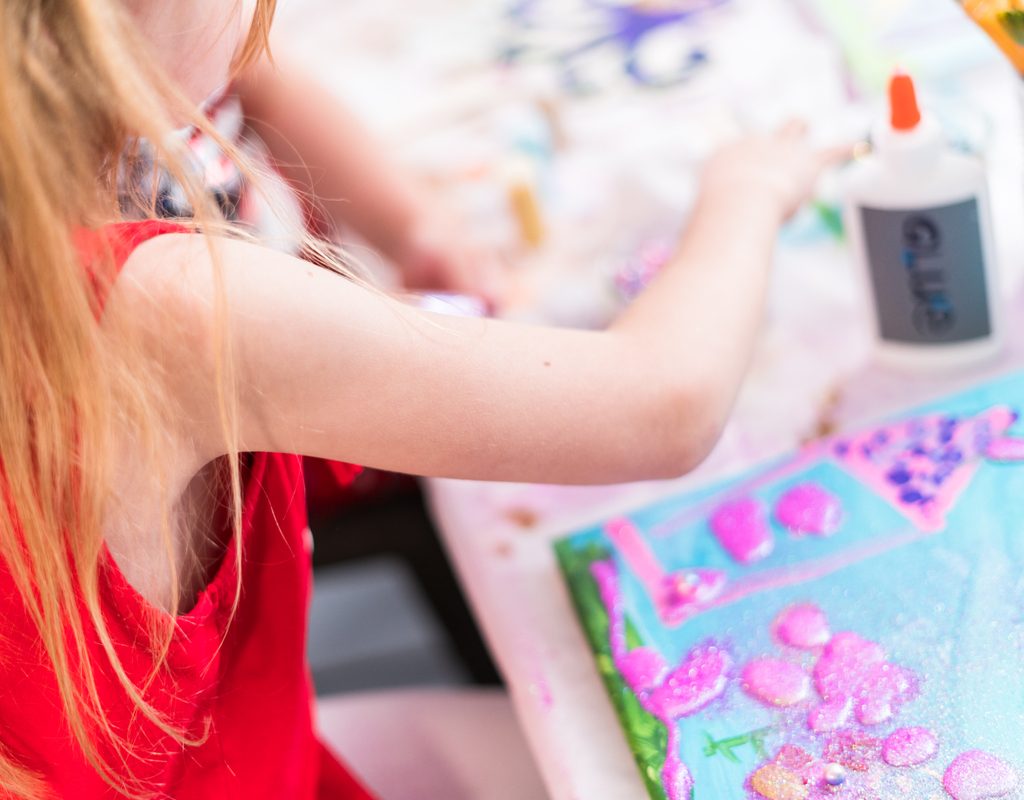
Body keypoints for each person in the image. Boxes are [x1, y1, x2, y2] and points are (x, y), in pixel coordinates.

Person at [0, 0, 841, 797]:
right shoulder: (167, 309)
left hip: (224, 748)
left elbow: (250, 70)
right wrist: (747, 194)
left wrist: (413, 228)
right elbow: (663, 406)